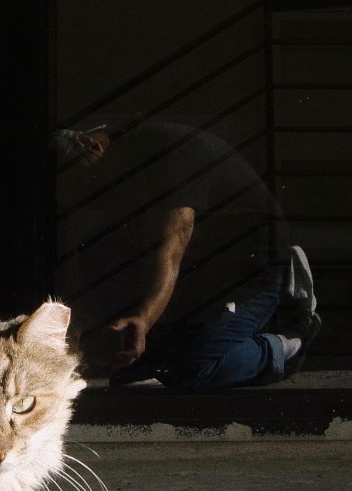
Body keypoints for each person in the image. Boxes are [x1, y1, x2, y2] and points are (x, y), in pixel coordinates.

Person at [52, 119, 319, 391]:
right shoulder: (120, 158)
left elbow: (172, 244)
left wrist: (144, 318)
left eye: (79, 179)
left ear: (89, 143)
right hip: (202, 269)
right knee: (98, 248)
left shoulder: (169, 150)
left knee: (189, 370)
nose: (85, 191)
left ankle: (285, 346)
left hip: (251, 263)